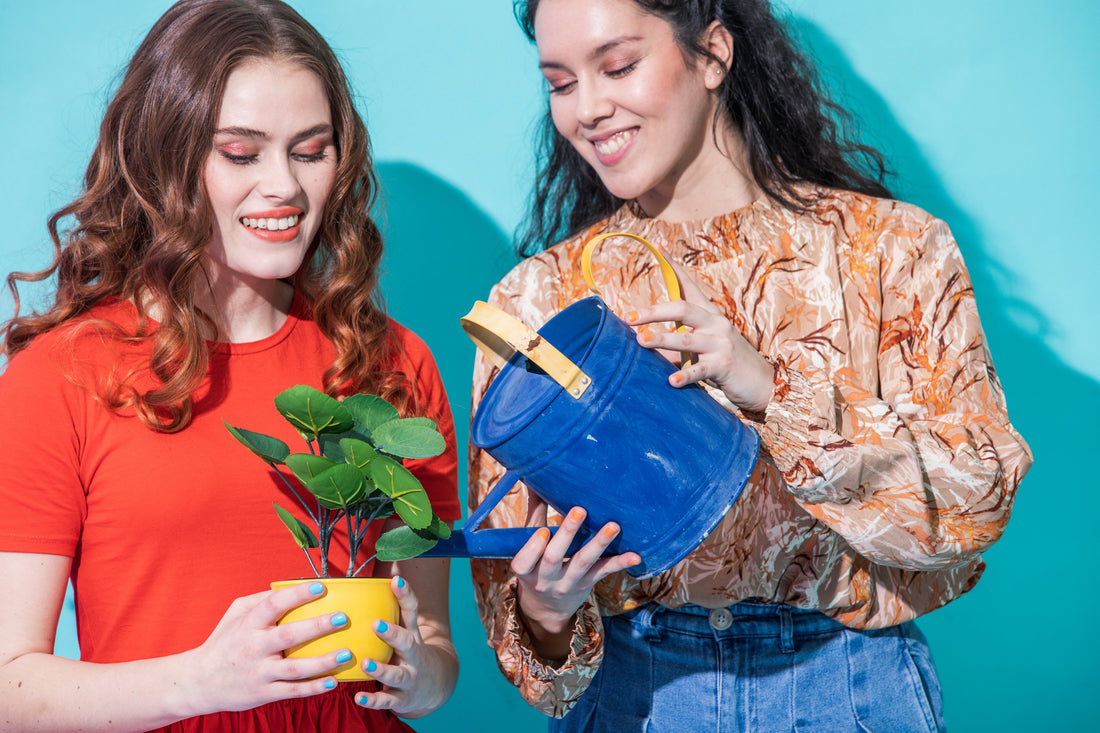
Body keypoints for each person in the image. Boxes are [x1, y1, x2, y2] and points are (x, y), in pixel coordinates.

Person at [467, 0, 1033, 730]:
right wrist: (545, 610)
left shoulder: (892, 252)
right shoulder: (536, 306)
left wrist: (773, 390)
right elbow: (528, 647)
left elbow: (976, 501)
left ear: (712, 54)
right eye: (560, 82)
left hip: (849, 685)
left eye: (618, 66)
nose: (589, 109)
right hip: (636, 696)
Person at [0, 1, 460, 730]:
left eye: (310, 150)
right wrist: (203, 681)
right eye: (241, 153)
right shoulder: (62, 377)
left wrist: (418, 672)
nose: (283, 185)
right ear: (165, 158)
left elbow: (436, 648)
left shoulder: (394, 365)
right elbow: (9, 686)